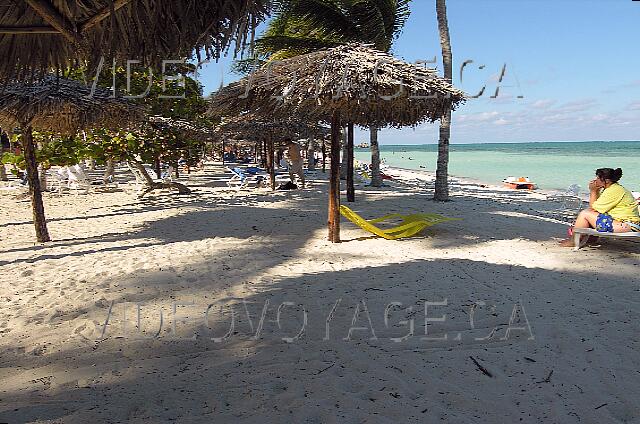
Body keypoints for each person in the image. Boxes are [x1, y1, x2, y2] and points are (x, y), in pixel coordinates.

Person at [560, 168, 640, 247]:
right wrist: (596, 191)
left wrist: (593, 191)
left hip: (626, 226)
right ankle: (589, 239)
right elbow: (597, 207)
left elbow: (593, 209)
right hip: (624, 224)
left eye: (598, 178)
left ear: (607, 180)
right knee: (588, 215)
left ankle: (573, 241)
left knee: (585, 214)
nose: (595, 180)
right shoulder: (613, 188)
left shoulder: (614, 190)